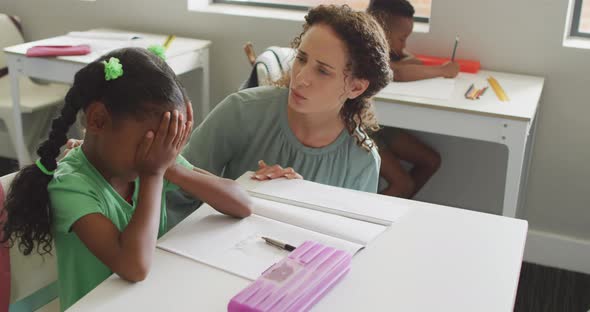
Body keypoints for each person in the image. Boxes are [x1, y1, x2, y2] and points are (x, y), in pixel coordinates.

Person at [1, 48, 252, 311]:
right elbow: (133, 266)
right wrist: (155, 172)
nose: (157, 152)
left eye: (164, 144)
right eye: (151, 143)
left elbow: (241, 203)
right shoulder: (71, 186)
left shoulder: (153, 160)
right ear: (98, 120)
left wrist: (170, 166)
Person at [184, 4, 391, 194]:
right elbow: (175, 189)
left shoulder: (362, 162)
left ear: (356, 87)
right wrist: (244, 193)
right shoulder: (241, 111)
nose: (300, 78)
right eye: (301, 59)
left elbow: (348, 233)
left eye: (323, 71)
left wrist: (298, 198)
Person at [367, 0, 450, 198]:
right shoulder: (364, 47)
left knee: (430, 161)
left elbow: (410, 62)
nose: (405, 44)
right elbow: (398, 73)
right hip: (357, 127)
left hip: (378, 123)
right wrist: (443, 70)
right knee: (403, 184)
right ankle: (373, 220)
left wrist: (402, 52)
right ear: (381, 29)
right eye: (402, 38)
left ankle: (395, 208)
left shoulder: (385, 49)